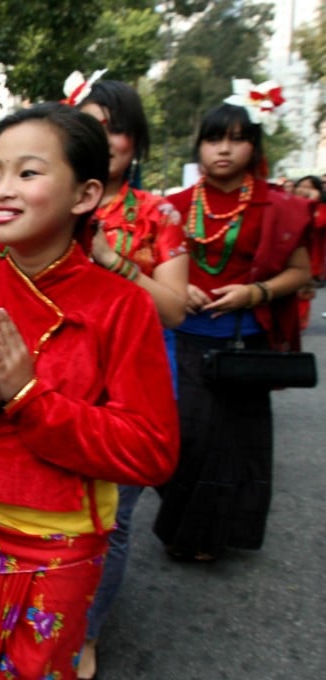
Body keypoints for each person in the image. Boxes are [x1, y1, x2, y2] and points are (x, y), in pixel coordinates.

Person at [0, 103, 179, 680]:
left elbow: (153, 450)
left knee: (39, 667)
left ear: (84, 195)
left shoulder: (122, 305)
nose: (2, 190)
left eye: (28, 173)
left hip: (68, 536)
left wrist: (30, 400)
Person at [153, 102, 312, 563]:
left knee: (239, 442)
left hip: (247, 341)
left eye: (237, 139)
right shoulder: (173, 207)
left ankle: (212, 534)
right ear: (199, 146)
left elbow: (299, 273)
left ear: (253, 146)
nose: (224, 149)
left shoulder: (280, 207)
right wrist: (175, 291)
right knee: (187, 437)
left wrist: (254, 292)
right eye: (214, 138)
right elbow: (147, 270)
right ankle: (183, 527)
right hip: (184, 336)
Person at [74, 79, 189, 680]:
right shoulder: (50, 198)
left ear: (135, 140)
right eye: (90, 123)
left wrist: (112, 261)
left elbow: (173, 308)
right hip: (59, 385)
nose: (104, 138)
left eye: (115, 126)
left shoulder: (158, 213)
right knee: (56, 513)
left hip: (131, 391)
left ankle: (88, 632)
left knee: (113, 524)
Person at [292, 175, 326, 328]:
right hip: (288, 256)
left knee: (303, 292)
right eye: (302, 185)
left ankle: (298, 323)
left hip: (311, 258)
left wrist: (312, 203)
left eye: (309, 187)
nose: (304, 190)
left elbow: (318, 224)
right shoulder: (287, 204)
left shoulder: (321, 208)